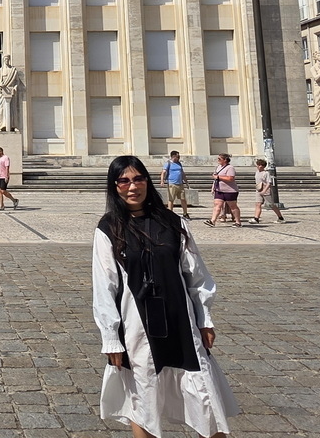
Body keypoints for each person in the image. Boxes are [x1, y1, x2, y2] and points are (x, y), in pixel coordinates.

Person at [92, 155, 238, 438]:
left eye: (138, 179)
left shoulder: (174, 222)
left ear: (148, 181)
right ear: (114, 186)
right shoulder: (109, 228)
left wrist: (205, 319)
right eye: (124, 181)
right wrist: (110, 338)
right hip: (136, 325)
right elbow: (104, 286)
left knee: (204, 395)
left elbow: (196, 276)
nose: (132, 187)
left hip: (180, 321)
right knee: (142, 395)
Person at [205, 154, 241, 228]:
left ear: (225, 160)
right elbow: (215, 178)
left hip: (230, 190)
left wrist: (218, 177)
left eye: (219, 159)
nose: (218, 160)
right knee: (217, 205)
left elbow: (230, 178)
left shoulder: (230, 168)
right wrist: (213, 187)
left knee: (233, 206)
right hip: (219, 190)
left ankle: (238, 221)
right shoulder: (218, 167)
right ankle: (212, 221)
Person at [249, 159, 285, 224]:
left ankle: (280, 217)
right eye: (258, 165)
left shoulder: (266, 173)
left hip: (266, 190)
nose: (259, 166)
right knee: (258, 204)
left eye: (261, 165)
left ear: (263, 166)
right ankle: (256, 218)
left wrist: (264, 190)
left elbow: (269, 183)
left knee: (271, 205)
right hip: (259, 189)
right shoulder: (257, 172)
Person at [159, 151, 189, 219]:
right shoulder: (168, 163)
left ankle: (185, 213)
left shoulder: (179, 163)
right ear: (173, 156)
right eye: (177, 156)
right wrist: (162, 181)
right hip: (172, 184)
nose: (178, 158)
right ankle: (170, 214)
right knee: (171, 199)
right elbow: (163, 172)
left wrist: (186, 182)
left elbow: (182, 173)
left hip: (180, 183)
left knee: (183, 199)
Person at [0, 55, 18, 131]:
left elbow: (17, 81)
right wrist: (0, 87)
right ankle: (2, 126)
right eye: (5, 59)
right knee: (2, 110)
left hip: (11, 92)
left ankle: (13, 126)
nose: (6, 61)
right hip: (3, 92)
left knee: (12, 109)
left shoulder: (13, 70)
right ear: (3, 60)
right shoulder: (0, 71)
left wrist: (15, 87)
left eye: (8, 59)